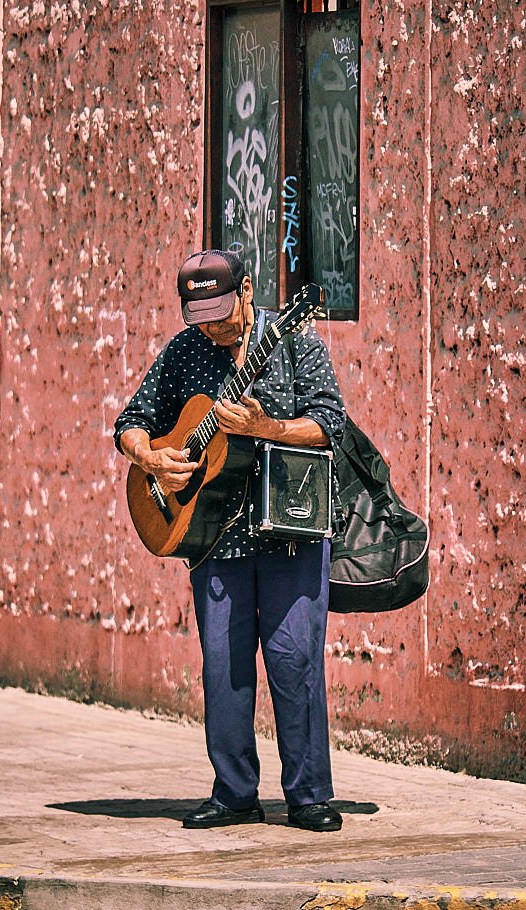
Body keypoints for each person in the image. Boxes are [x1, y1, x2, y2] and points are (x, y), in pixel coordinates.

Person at [114, 246, 347, 832]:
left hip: (289, 531)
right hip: (215, 539)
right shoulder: (185, 351)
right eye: (201, 317)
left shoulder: (296, 341)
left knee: (295, 663)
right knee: (223, 667)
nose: (212, 327)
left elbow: (331, 423)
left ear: (247, 292)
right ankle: (234, 791)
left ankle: (310, 794)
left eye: (221, 312)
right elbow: (130, 422)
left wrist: (267, 429)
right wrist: (155, 458)